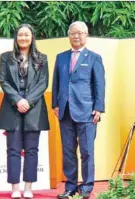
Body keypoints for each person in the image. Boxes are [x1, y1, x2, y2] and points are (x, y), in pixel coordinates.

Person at [52, 21, 105, 199]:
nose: (77, 36)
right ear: (69, 35)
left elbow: (99, 84)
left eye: (80, 33)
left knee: (87, 151)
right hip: (65, 111)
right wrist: (55, 105)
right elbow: (56, 83)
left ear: (86, 35)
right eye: (73, 33)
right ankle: (71, 186)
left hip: (87, 111)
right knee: (68, 151)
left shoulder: (94, 58)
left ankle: (87, 186)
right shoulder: (61, 57)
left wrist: (98, 107)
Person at [0, 24, 50, 199]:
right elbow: (3, 81)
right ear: (16, 37)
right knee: (12, 149)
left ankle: (28, 187)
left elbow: (43, 83)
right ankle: (15, 188)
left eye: (27, 35)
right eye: (20, 35)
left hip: (34, 108)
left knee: (32, 150)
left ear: (32, 37)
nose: (24, 38)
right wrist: (18, 100)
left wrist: (28, 100)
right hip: (12, 107)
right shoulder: (6, 57)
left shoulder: (42, 58)